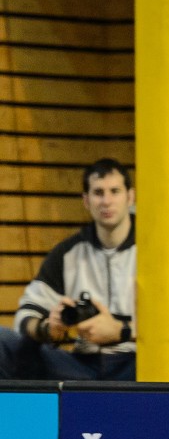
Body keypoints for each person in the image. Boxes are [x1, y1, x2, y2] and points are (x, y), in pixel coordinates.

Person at [0, 158, 137, 381]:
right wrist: (48, 328)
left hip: (137, 363)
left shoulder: (154, 252)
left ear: (130, 196)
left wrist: (121, 330)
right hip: (81, 366)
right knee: (3, 342)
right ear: (86, 200)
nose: (106, 201)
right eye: (98, 193)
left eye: (114, 191)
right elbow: (26, 316)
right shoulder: (68, 253)